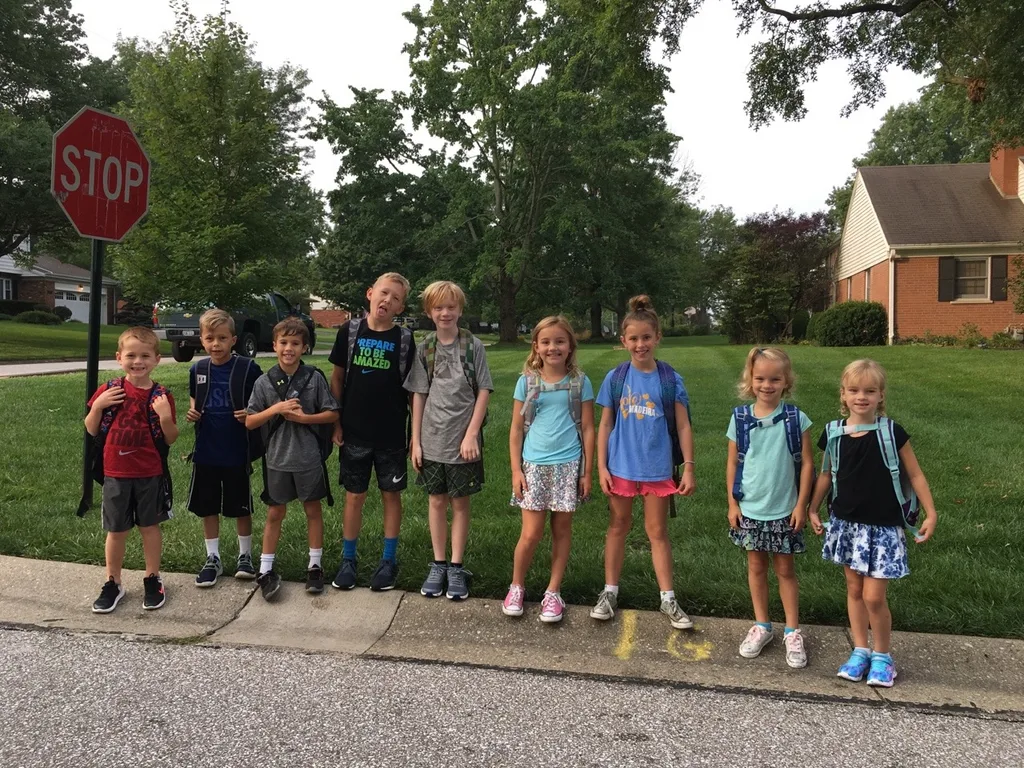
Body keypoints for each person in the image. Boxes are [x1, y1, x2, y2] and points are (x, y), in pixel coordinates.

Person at [808, 359, 938, 687]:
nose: (861, 396)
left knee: (874, 597)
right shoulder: (834, 432)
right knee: (854, 590)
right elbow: (826, 475)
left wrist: (931, 512)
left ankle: (883, 656)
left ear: (881, 395)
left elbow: (915, 474)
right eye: (854, 390)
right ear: (843, 394)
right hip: (847, 525)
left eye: (870, 391)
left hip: (883, 528)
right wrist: (812, 508)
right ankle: (860, 650)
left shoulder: (892, 432)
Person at [591, 296, 696, 629]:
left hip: (657, 468)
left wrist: (689, 466)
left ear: (657, 337)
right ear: (623, 341)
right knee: (618, 527)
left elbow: (683, 425)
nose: (640, 344)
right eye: (633, 339)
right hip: (621, 466)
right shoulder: (616, 377)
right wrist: (602, 467)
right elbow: (605, 423)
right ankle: (609, 593)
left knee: (657, 532)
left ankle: (668, 598)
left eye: (646, 337)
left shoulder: (669, 379)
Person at [726, 347, 814, 668]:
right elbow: (732, 464)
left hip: (784, 510)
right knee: (756, 568)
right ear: (750, 381)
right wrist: (732, 503)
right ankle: (762, 625)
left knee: (786, 571)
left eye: (775, 379)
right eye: (760, 378)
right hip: (750, 510)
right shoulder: (740, 419)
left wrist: (801, 504)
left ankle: (792, 630)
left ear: (786, 381)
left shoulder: (796, 419)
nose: (767, 385)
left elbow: (806, 464)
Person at [328, 272, 416, 592]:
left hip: (391, 434)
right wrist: (335, 422)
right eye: (383, 293)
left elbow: (412, 392)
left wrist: (413, 434)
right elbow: (337, 380)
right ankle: (348, 560)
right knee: (354, 496)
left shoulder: (404, 340)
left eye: (395, 298)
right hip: (354, 432)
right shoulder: (349, 332)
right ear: (370, 293)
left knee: (391, 496)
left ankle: (388, 561)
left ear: (401, 307)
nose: (387, 300)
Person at [504, 316, 595, 623]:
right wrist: (516, 471)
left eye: (559, 341)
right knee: (530, 533)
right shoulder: (527, 382)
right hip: (534, 466)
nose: (552, 347)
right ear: (536, 347)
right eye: (546, 342)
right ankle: (517, 585)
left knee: (561, 530)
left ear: (570, 346)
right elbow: (516, 429)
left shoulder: (580, 382)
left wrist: (586, 472)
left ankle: (553, 591)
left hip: (568, 465)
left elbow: (589, 429)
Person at [405, 281, 493, 600]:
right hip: (431, 439)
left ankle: (456, 567)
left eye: (451, 306)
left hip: (463, 441)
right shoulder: (425, 347)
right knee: (436, 500)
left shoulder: (473, 346)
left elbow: (484, 389)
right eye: (439, 307)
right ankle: (438, 563)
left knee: (460, 503)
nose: (445, 312)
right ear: (429, 311)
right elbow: (419, 394)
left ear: (460, 309)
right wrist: (415, 441)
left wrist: (472, 434)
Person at [86, 327, 178, 613]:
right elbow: (91, 429)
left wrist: (164, 416)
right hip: (115, 473)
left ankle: (153, 577)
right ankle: (113, 582)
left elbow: (171, 438)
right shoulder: (110, 390)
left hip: (149, 472)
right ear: (119, 357)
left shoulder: (161, 396)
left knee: (149, 526)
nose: (138, 361)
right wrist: (98, 406)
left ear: (157, 359)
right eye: (131, 355)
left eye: (145, 356)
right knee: (116, 531)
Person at [246, 318, 339, 601]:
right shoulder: (263, 382)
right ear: (274, 345)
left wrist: (304, 418)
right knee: (275, 513)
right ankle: (265, 569)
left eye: (295, 344)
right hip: (276, 459)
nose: (289, 349)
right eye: (283, 343)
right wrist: (276, 408)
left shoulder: (314, 378)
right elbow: (250, 421)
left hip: (309, 458)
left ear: (304, 347)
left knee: (313, 510)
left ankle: (315, 566)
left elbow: (332, 413)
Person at [185, 309, 262, 587]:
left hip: (236, 449)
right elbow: (195, 401)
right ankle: (213, 557)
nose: (215, 344)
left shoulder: (247, 368)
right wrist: (192, 412)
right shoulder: (198, 369)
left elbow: (260, 401)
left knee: (241, 506)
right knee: (208, 507)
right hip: (206, 449)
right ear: (202, 340)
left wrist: (250, 414)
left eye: (222, 338)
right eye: (209, 338)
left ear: (233, 340)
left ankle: (245, 556)